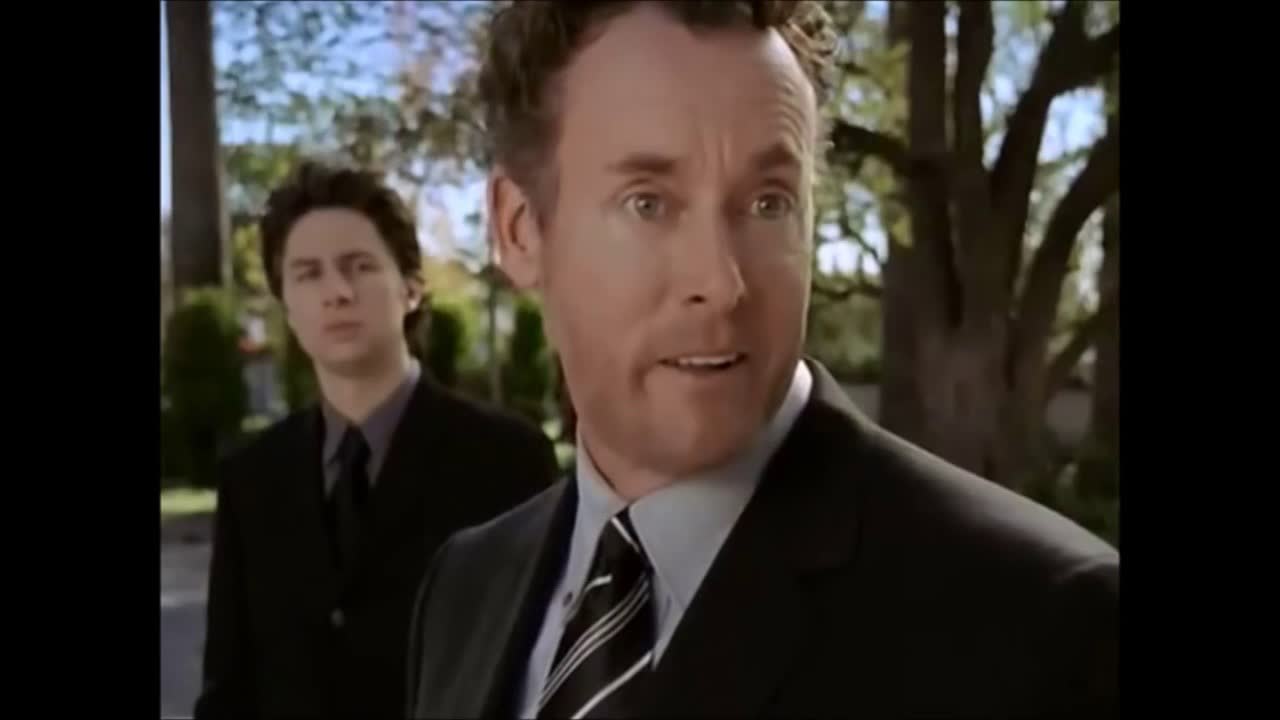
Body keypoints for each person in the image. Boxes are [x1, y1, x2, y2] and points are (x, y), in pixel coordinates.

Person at [405, 2, 1118, 718]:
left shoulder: (1046, 624)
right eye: (647, 203)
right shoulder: (465, 585)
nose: (721, 282)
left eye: (769, 203)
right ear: (520, 230)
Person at [194, 161, 560, 719]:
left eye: (359, 266)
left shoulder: (506, 458)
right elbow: (228, 692)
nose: (337, 292)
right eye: (308, 274)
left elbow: (544, 672)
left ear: (411, 288)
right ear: (286, 305)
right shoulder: (252, 477)